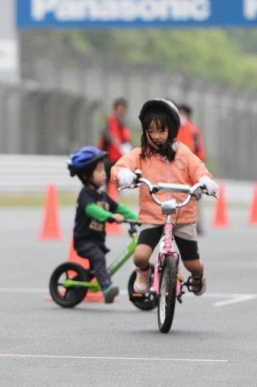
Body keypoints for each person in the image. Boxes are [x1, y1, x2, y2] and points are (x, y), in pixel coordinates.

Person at [112, 99, 217, 297]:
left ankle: (198, 275)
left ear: (172, 129)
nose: (156, 136)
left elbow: (198, 168)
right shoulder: (141, 154)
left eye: (161, 130)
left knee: (192, 264)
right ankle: (144, 274)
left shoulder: (183, 153)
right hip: (153, 215)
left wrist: (205, 180)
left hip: (182, 216)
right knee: (140, 256)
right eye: (151, 131)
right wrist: (123, 175)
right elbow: (119, 167)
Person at [67, 146, 139, 304]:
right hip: (84, 241)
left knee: (94, 269)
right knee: (99, 259)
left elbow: (119, 208)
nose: (104, 173)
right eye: (99, 170)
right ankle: (106, 288)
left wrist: (139, 218)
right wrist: (110, 216)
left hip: (97, 241)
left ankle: (74, 288)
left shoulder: (104, 195)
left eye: (103, 169)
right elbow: (91, 210)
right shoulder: (85, 194)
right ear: (87, 175)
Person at [176, 103, 206, 234]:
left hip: (192, 166)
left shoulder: (193, 130)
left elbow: (199, 149)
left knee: (195, 194)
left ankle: (197, 224)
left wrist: (198, 165)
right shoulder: (174, 128)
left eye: (183, 113)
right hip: (177, 167)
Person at [98, 97, 132, 185]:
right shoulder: (109, 120)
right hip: (108, 157)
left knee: (116, 181)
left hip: (118, 157)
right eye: (120, 109)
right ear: (115, 109)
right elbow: (105, 132)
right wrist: (113, 139)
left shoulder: (123, 123)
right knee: (108, 180)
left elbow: (126, 138)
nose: (121, 111)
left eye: (123, 109)